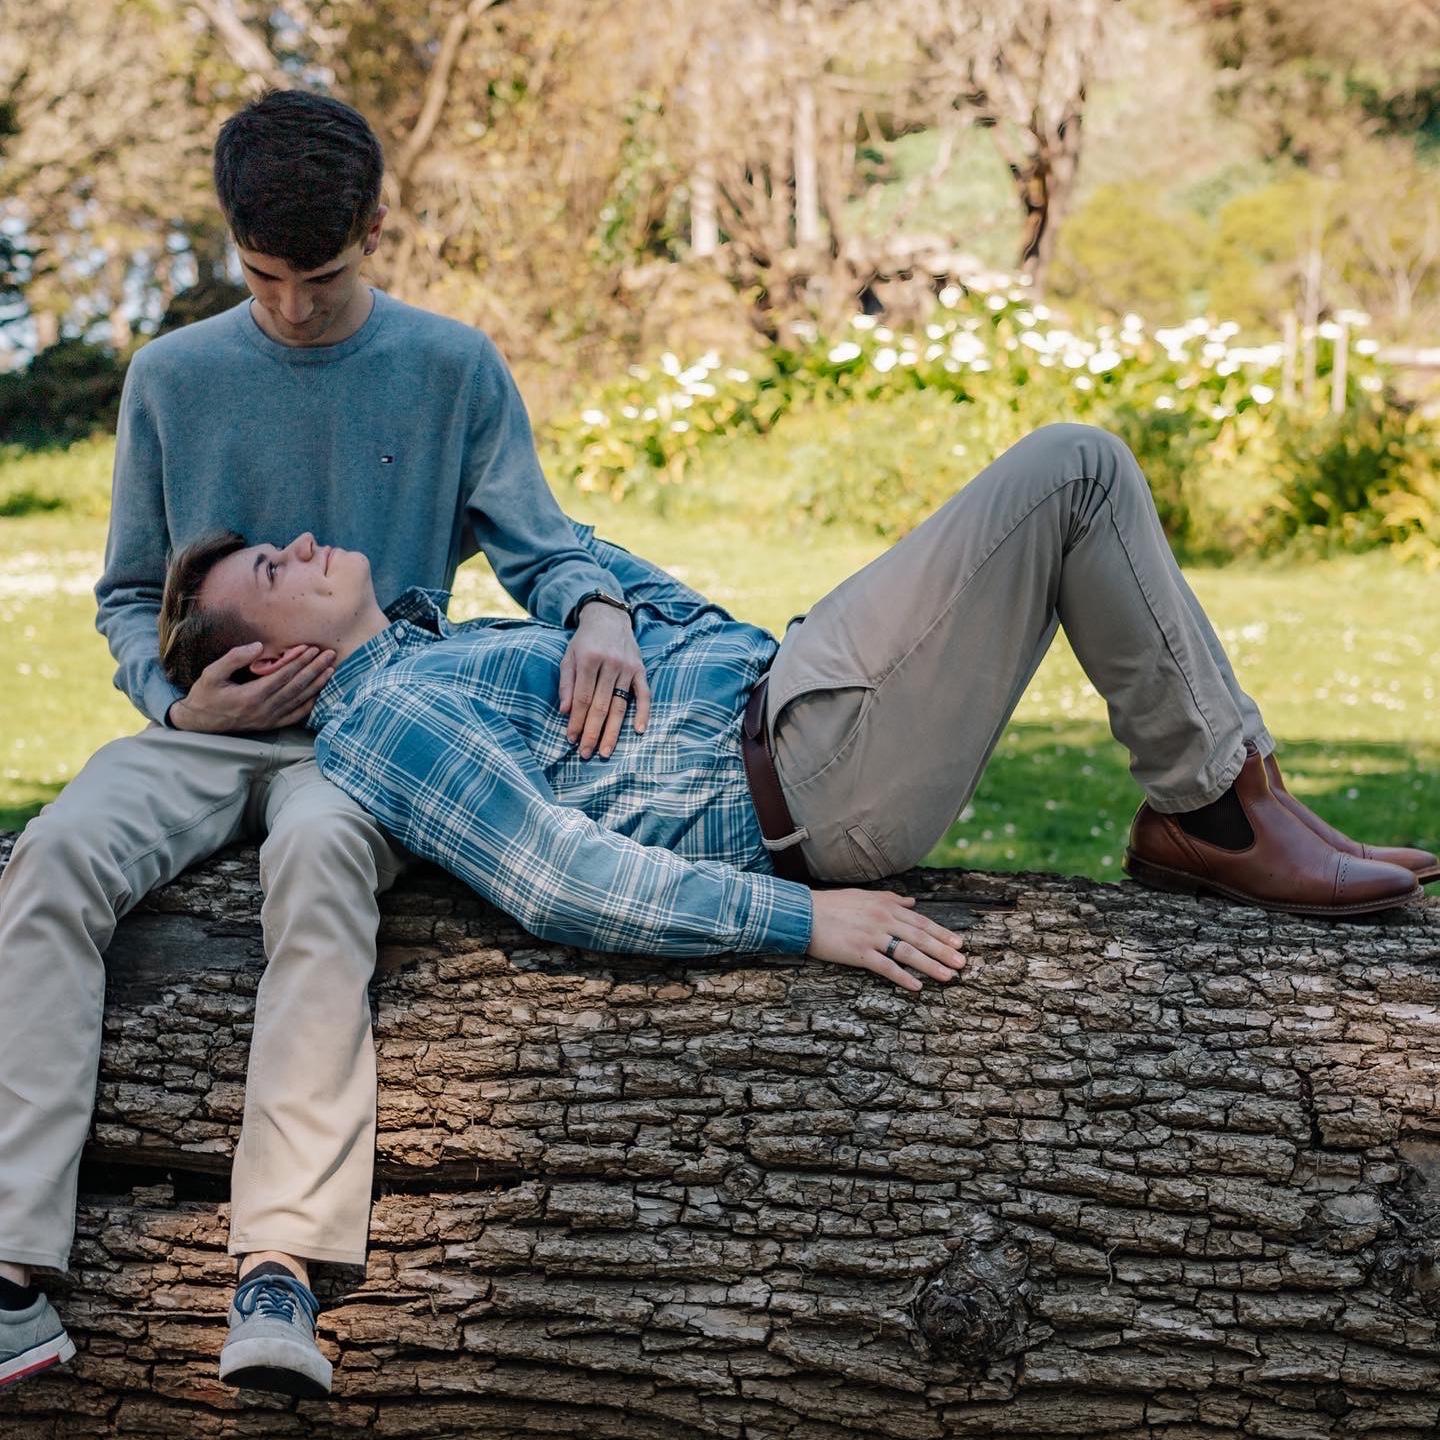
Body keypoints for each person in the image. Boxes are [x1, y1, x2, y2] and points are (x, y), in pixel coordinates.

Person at [0, 91, 655, 1401]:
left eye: (322, 277)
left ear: (375, 230)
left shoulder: (452, 366)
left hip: (371, 730)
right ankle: (13, 1276)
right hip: (203, 730)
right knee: (54, 855)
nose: (294, 308)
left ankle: (279, 1270)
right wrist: (177, 704)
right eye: (263, 280)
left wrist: (600, 608)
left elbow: (542, 545)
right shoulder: (172, 378)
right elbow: (129, 593)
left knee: (316, 868)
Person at [158, 426, 1435, 973]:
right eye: (274, 570)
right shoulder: (386, 717)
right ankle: (1217, 814)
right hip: (809, 780)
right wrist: (801, 923)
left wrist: (598, 607)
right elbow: (554, 877)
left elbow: (685, 613)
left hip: (799, 691)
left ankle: (1239, 803)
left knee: (1078, 474)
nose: (305, 544)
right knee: (1075, 472)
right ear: (266, 667)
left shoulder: (442, 643)